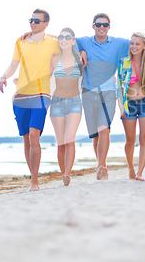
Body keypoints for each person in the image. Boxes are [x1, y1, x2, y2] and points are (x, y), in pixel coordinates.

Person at [0, 9, 60, 191]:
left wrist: (45, 34)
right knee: (26, 138)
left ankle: (35, 181)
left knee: (35, 136)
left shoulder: (53, 43)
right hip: (21, 95)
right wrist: (3, 77)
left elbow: (71, 42)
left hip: (41, 95)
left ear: (46, 23)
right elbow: (13, 65)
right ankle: (32, 176)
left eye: (37, 21)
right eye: (31, 20)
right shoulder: (21, 41)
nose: (32, 23)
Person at [76, 13, 130, 180]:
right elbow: (62, 39)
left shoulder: (118, 43)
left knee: (104, 128)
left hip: (108, 92)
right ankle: (102, 165)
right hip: (87, 91)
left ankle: (101, 166)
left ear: (109, 26)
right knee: (95, 134)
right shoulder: (83, 41)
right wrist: (81, 51)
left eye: (105, 25)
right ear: (93, 25)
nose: (101, 27)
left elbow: (140, 42)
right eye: (98, 24)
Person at [117, 32, 145, 181]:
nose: (134, 46)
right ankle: (131, 169)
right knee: (130, 140)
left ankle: (140, 173)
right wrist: (121, 107)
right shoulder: (123, 62)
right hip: (129, 104)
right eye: (132, 43)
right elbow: (118, 87)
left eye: (137, 44)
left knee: (144, 139)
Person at [49, 28, 83, 186]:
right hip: (57, 103)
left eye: (67, 37)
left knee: (69, 138)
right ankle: (63, 174)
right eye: (61, 37)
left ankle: (67, 173)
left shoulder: (80, 58)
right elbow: (43, 76)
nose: (64, 40)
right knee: (61, 141)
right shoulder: (54, 59)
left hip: (75, 103)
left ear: (73, 40)